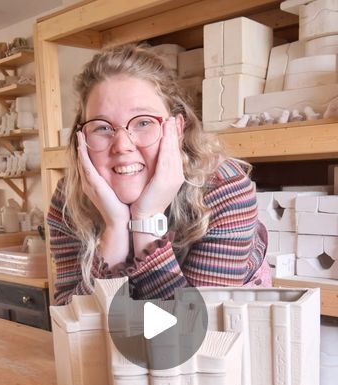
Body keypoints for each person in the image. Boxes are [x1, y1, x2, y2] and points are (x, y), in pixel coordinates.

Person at [48, 43, 271, 305]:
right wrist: (115, 229)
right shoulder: (68, 198)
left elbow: (195, 334)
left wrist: (145, 221)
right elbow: (71, 318)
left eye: (143, 122)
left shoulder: (223, 188)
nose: (122, 146)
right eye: (102, 127)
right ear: (81, 138)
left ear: (176, 128)